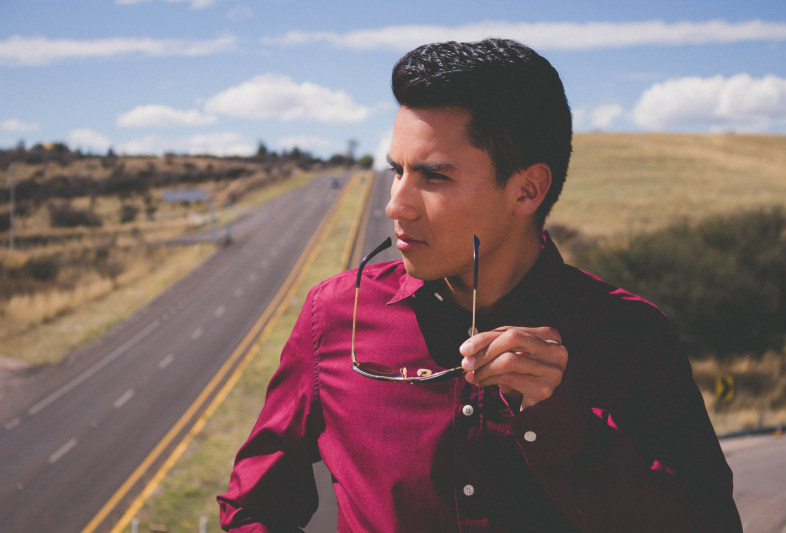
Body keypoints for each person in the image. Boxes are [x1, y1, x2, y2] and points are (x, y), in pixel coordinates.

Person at [218, 38, 742, 532]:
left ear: (527, 190)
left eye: (434, 177)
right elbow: (251, 507)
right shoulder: (334, 315)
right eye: (397, 170)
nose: (395, 204)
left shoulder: (631, 335)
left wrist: (565, 424)